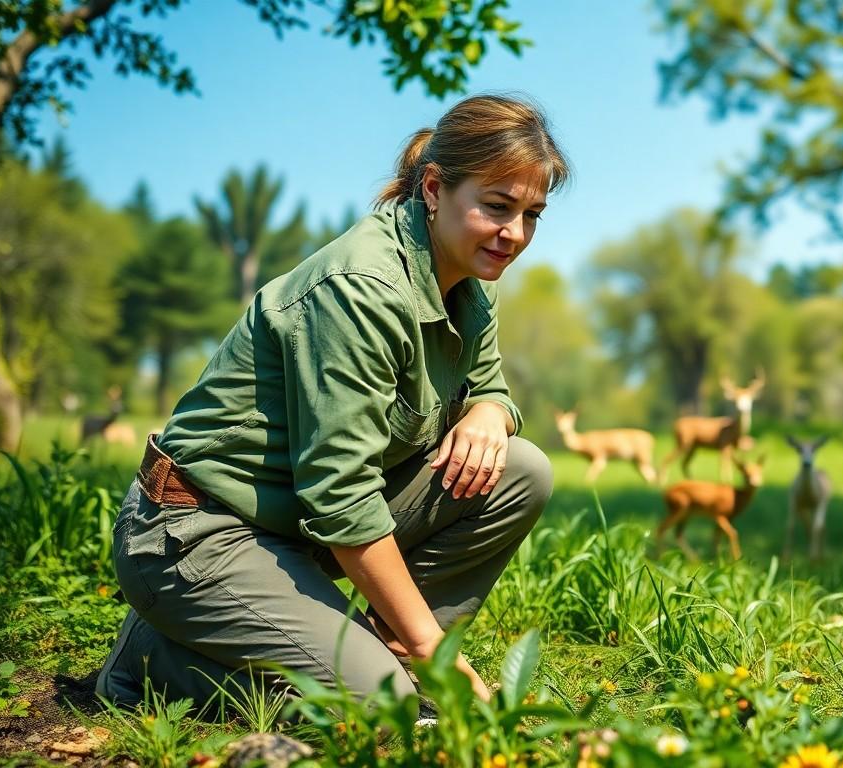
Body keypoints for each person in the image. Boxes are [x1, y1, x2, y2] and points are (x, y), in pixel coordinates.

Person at [95, 93, 569, 708]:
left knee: (520, 470)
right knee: (394, 713)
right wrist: (433, 647)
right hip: (199, 530)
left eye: (533, 214)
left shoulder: (470, 281)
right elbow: (339, 496)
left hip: (294, 529)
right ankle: (148, 661)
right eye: (497, 207)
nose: (515, 234)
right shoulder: (362, 289)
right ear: (433, 189)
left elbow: (490, 386)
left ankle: (370, 650)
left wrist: (490, 411)